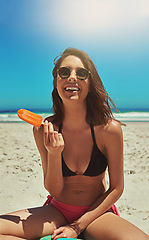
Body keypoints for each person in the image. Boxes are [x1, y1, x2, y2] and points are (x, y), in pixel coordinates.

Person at [0, 48, 148, 240]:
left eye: (81, 73)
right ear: (56, 82)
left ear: (89, 82)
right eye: (64, 72)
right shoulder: (43, 129)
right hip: (57, 211)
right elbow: (54, 191)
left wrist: (77, 227)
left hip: (96, 214)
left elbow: (116, 188)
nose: (72, 77)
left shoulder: (108, 130)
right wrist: (54, 153)